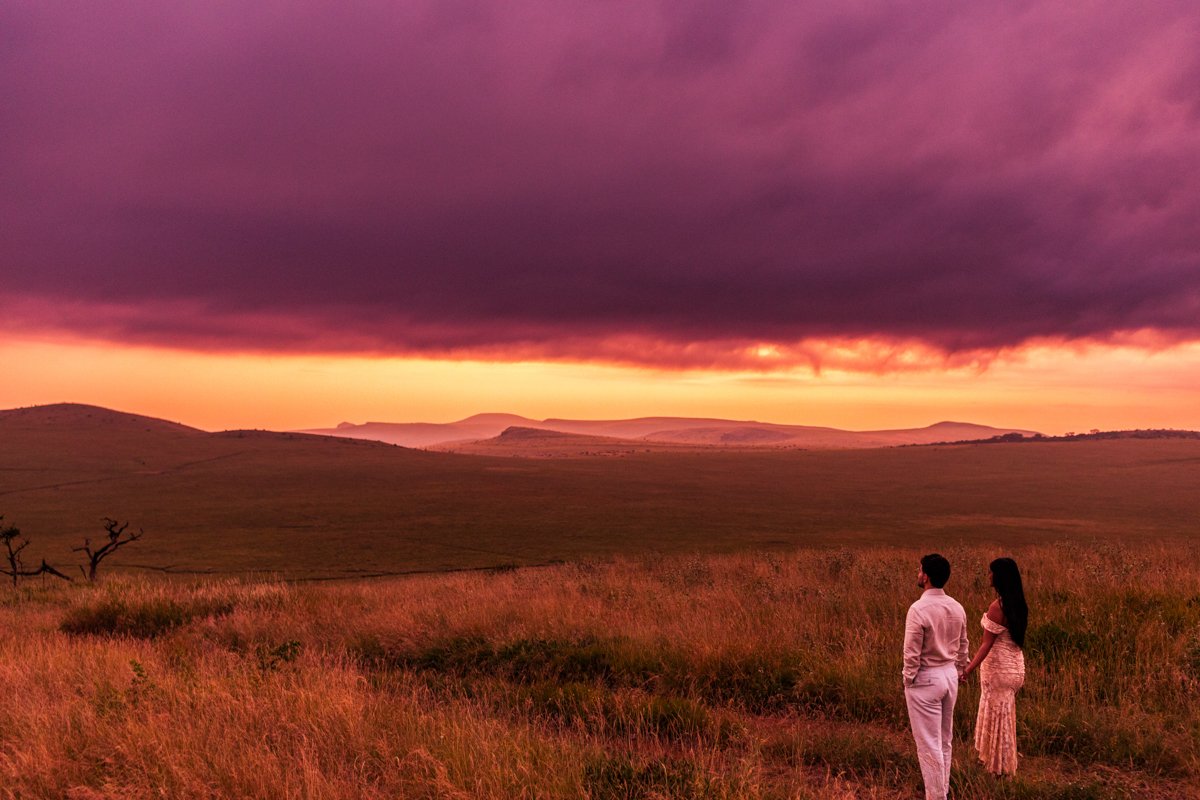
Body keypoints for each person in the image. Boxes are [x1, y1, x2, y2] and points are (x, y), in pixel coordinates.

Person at [903, 553, 970, 800]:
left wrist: (908, 680)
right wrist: (961, 669)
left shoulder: (918, 609)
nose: (918, 574)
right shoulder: (957, 606)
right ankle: (942, 791)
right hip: (950, 675)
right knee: (944, 740)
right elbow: (963, 644)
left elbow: (911, 653)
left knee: (928, 745)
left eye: (919, 570)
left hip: (926, 678)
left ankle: (936, 796)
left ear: (927, 577)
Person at [960, 557, 1028, 776]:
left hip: (998, 669)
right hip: (1015, 667)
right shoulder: (1019, 604)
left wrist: (968, 669)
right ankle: (999, 762)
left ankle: (997, 767)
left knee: (996, 716)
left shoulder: (997, 607)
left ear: (999, 576)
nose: (988, 576)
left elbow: (986, 645)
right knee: (1005, 715)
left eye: (990, 572)